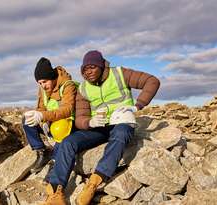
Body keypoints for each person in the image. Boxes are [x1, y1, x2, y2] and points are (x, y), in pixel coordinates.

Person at [40, 50, 160, 205]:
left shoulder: (120, 74)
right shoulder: (82, 88)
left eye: (92, 67)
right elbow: (80, 118)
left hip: (121, 122)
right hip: (99, 127)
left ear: (102, 65)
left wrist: (137, 106)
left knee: (121, 133)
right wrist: (89, 123)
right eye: (85, 69)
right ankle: (55, 191)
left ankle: (93, 184)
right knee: (67, 142)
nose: (88, 72)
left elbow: (152, 81)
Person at [22, 57, 78, 185]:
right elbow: (41, 108)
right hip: (51, 122)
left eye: (45, 81)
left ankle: (54, 164)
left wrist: (44, 117)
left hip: (67, 123)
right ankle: (42, 152)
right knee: (27, 120)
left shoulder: (68, 85)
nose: (43, 85)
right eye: (40, 83)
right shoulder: (42, 89)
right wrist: (42, 122)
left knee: (60, 129)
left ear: (53, 78)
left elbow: (68, 110)